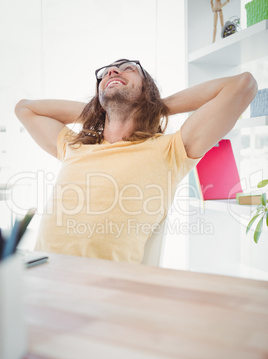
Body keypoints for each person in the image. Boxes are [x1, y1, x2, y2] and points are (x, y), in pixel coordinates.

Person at [15, 59, 257, 263]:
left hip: (106, 293)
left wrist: (153, 107)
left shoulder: (170, 150)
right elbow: (24, 109)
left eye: (128, 68)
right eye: (106, 73)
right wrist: (98, 109)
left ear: (146, 90)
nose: (112, 71)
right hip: (41, 279)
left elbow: (243, 85)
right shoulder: (74, 145)